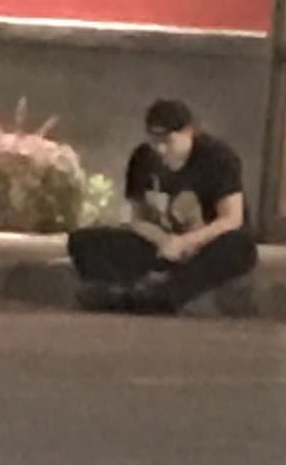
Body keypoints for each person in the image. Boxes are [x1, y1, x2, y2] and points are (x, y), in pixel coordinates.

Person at [68, 100, 258, 314]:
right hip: (162, 244)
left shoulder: (217, 158)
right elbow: (137, 218)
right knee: (83, 240)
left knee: (237, 248)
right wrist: (163, 240)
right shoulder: (143, 158)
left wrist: (186, 242)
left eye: (168, 141)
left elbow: (232, 219)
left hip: (207, 243)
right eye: (154, 141)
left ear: (188, 132)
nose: (161, 149)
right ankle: (115, 289)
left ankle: (162, 296)